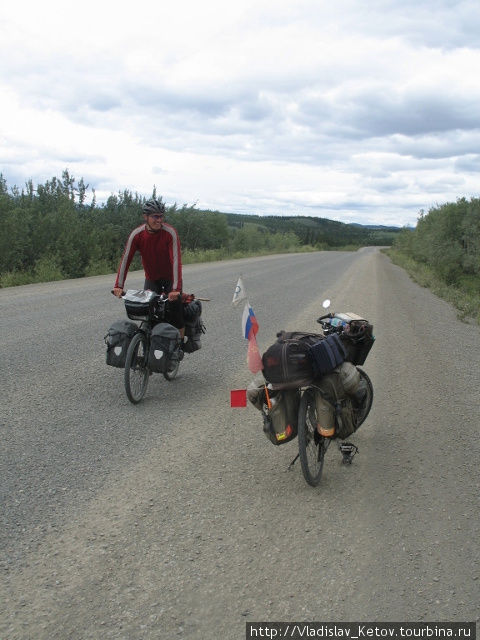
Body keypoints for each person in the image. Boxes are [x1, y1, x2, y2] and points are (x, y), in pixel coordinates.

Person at [113, 198, 185, 335]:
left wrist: (176, 289)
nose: (159, 220)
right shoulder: (137, 235)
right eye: (155, 216)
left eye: (161, 216)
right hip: (152, 278)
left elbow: (176, 260)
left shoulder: (170, 233)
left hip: (171, 279)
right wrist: (119, 285)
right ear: (145, 217)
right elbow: (126, 259)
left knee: (176, 312)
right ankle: (149, 346)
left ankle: (180, 343)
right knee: (148, 313)